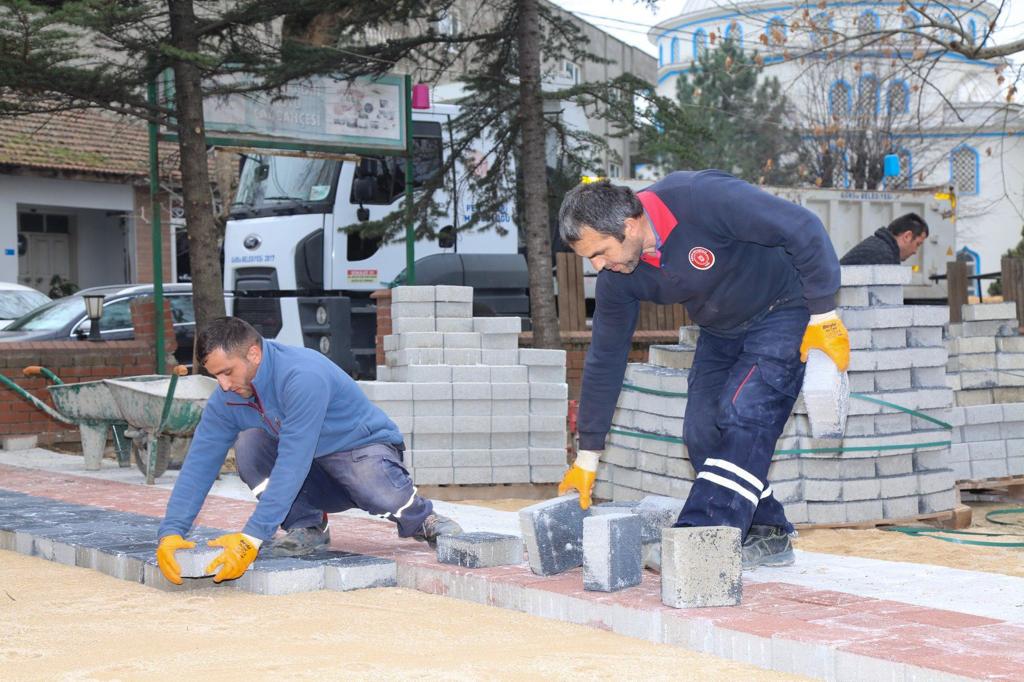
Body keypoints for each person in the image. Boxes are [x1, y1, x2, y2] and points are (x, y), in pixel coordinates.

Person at [556, 172, 848, 570]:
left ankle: (702, 540)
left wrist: (823, 311)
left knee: (745, 411)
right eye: (590, 258)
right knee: (702, 432)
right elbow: (606, 356)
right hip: (719, 330)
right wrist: (588, 453)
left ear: (628, 225)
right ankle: (770, 531)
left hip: (785, 307)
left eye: (601, 251)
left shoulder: (700, 199)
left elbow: (802, 226)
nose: (598, 266)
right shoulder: (617, 278)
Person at [155, 317, 462, 585]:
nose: (222, 386)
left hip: (361, 452)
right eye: (215, 377)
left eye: (227, 372)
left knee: (369, 481)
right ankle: (306, 524)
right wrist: (171, 531)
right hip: (312, 471)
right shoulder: (229, 397)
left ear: (253, 353)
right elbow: (199, 464)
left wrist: (251, 538)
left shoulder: (301, 376)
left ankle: (422, 517)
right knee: (249, 444)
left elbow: (293, 460)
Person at [839, 212, 929, 265]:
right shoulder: (884, 256)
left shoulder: (879, 246)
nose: (915, 251)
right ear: (907, 236)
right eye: (917, 244)